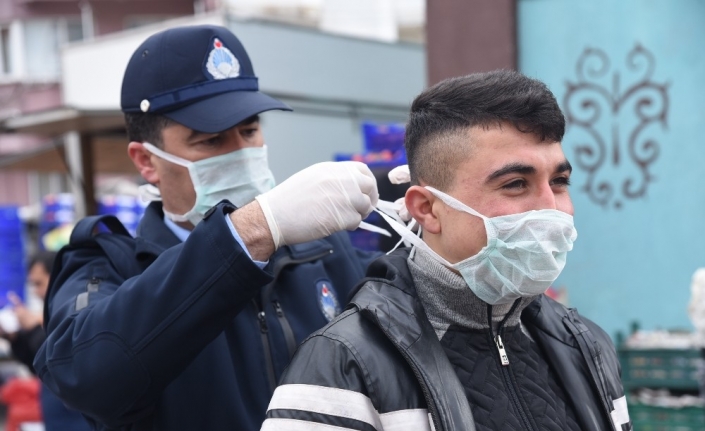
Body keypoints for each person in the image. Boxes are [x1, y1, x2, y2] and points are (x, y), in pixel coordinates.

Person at [33, 25, 380, 431]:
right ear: (147, 162)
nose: (242, 153)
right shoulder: (111, 267)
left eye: (249, 131)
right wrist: (250, 233)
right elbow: (84, 374)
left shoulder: (323, 251)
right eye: (212, 141)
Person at [262, 70, 632, 431]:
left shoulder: (586, 345)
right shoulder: (342, 366)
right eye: (516, 184)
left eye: (559, 181)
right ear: (428, 208)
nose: (551, 208)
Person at [0, 251, 92, 431]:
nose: (36, 291)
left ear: (57, 276)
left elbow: (60, 357)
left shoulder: (77, 308)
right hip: (58, 418)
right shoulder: (52, 312)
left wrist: (34, 329)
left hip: (77, 421)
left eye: (39, 284)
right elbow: (39, 366)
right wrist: (15, 338)